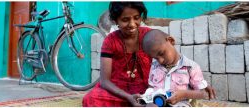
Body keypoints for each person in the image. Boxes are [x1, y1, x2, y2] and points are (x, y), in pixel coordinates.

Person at [82, 2, 215, 107]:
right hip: (119, 89)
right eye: (125, 20)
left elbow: (171, 60)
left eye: (136, 18)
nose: (132, 24)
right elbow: (105, 81)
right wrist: (128, 97)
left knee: (154, 99)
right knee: (90, 99)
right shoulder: (110, 41)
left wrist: (201, 83)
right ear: (115, 21)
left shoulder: (149, 35)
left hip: (148, 87)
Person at [142, 29, 210, 107]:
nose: (160, 61)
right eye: (156, 58)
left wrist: (184, 94)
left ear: (171, 41)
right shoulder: (154, 66)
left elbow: (203, 93)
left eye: (161, 53)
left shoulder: (191, 67)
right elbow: (151, 88)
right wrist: (146, 99)